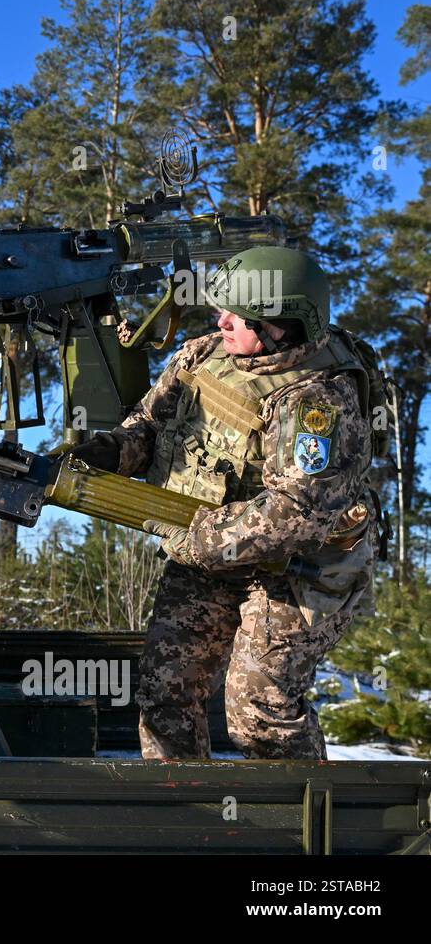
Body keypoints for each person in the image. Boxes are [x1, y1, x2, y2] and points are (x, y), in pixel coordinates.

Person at [69, 246, 380, 760]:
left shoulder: (320, 399)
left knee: (260, 711)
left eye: (239, 314)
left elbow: (296, 514)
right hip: (209, 552)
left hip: (298, 569)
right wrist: (100, 455)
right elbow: (147, 427)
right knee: (164, 694)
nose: (222, 319)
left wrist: (194, 541)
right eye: (222, 308)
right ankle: (186, 823)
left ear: (283, 326)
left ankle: (301, 831)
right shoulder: (204, 356)